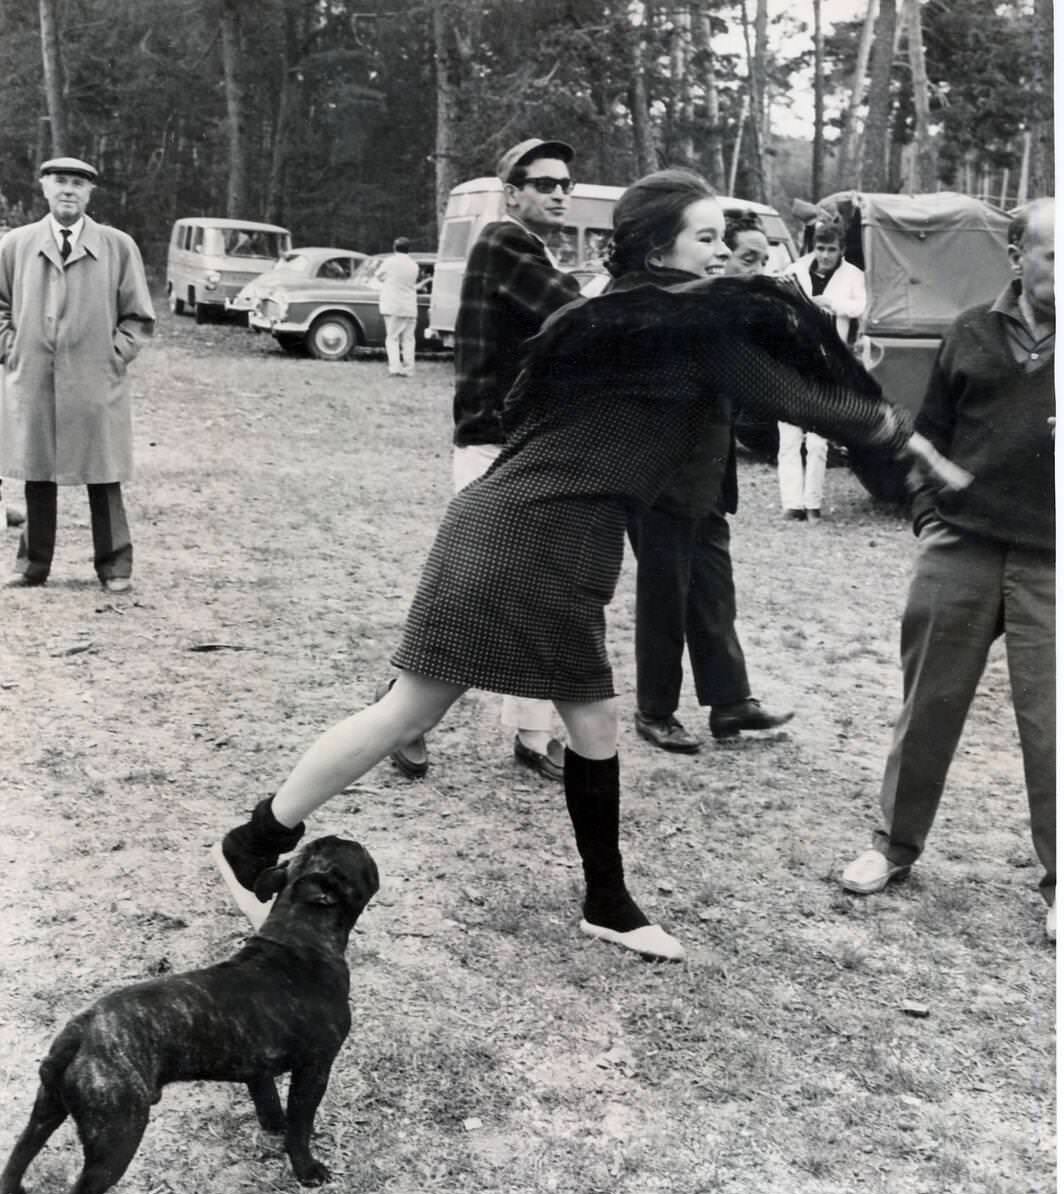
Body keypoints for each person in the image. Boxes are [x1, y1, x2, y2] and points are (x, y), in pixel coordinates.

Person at [212, 167, 952, 965]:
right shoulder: (681, 330)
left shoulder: (622, 318)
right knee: (483, 717)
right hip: (532, 541)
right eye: (704, 238)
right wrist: (905, 436)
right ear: (658, 246)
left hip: (512, 529)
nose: (721, 254)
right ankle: (599, 899)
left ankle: (262, 840)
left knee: (449, 714)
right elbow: (799, 397)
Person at [841, 198, 1056, 943]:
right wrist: (929, 515)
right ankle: (893, 846)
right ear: (1018, 257)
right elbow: (928, 436)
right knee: (928, 703)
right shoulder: (968, 332)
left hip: (1050, 564)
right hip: (960, 548)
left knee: (1051, 725)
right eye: (1053, 255)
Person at [392, 138, 583, 783]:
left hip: (516, 442)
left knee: (533, 591)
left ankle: (531, 733)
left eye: (565, 182)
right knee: (478, 594)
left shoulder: (520, 248)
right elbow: (578, 314)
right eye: (545, 182)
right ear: (514, 193)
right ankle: (404, 721)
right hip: (495, 446)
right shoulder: (506, 245)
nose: (560, 191)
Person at [629, 211, 793, 753]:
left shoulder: (716, 305)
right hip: (659, 482)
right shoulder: (661, 308)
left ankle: (730, 702)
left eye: (748, 255)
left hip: (708, 481)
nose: (728, 257)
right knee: (664, 598)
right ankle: (654, 709)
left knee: (715, 594)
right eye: (718, 244)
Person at [0, 157, 154, 591]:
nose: (68, 190)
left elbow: (139, 317)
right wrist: (10, 347)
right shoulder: (16, 244)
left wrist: (114, 355)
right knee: (37, 471)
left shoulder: (117, 246)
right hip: (32, 376)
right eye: (60, 182)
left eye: (78, 184)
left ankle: (115, 566)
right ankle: (32, 566)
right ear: (45, 189)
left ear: (89, 194)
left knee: (103, 472)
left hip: (94, 379)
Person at [776, 216, 866, 521]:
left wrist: (830, 302)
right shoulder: (795, 270)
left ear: (842, 250)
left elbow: (860, 307)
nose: (824, 255)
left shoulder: (854, 276)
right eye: (820, 248)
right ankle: (792, 503)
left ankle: (812, 502)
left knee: (817, 440)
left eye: (831, 249)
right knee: (788, 437)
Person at [377, 236, 420, 377]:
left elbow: (379, 276)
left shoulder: (390, 262)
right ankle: (409, 369)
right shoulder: (414, 265)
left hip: (393, 305)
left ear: (394, 248)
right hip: (410, 305)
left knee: (392, 338)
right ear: (409, 249)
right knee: (408, 339)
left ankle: (395, 367)